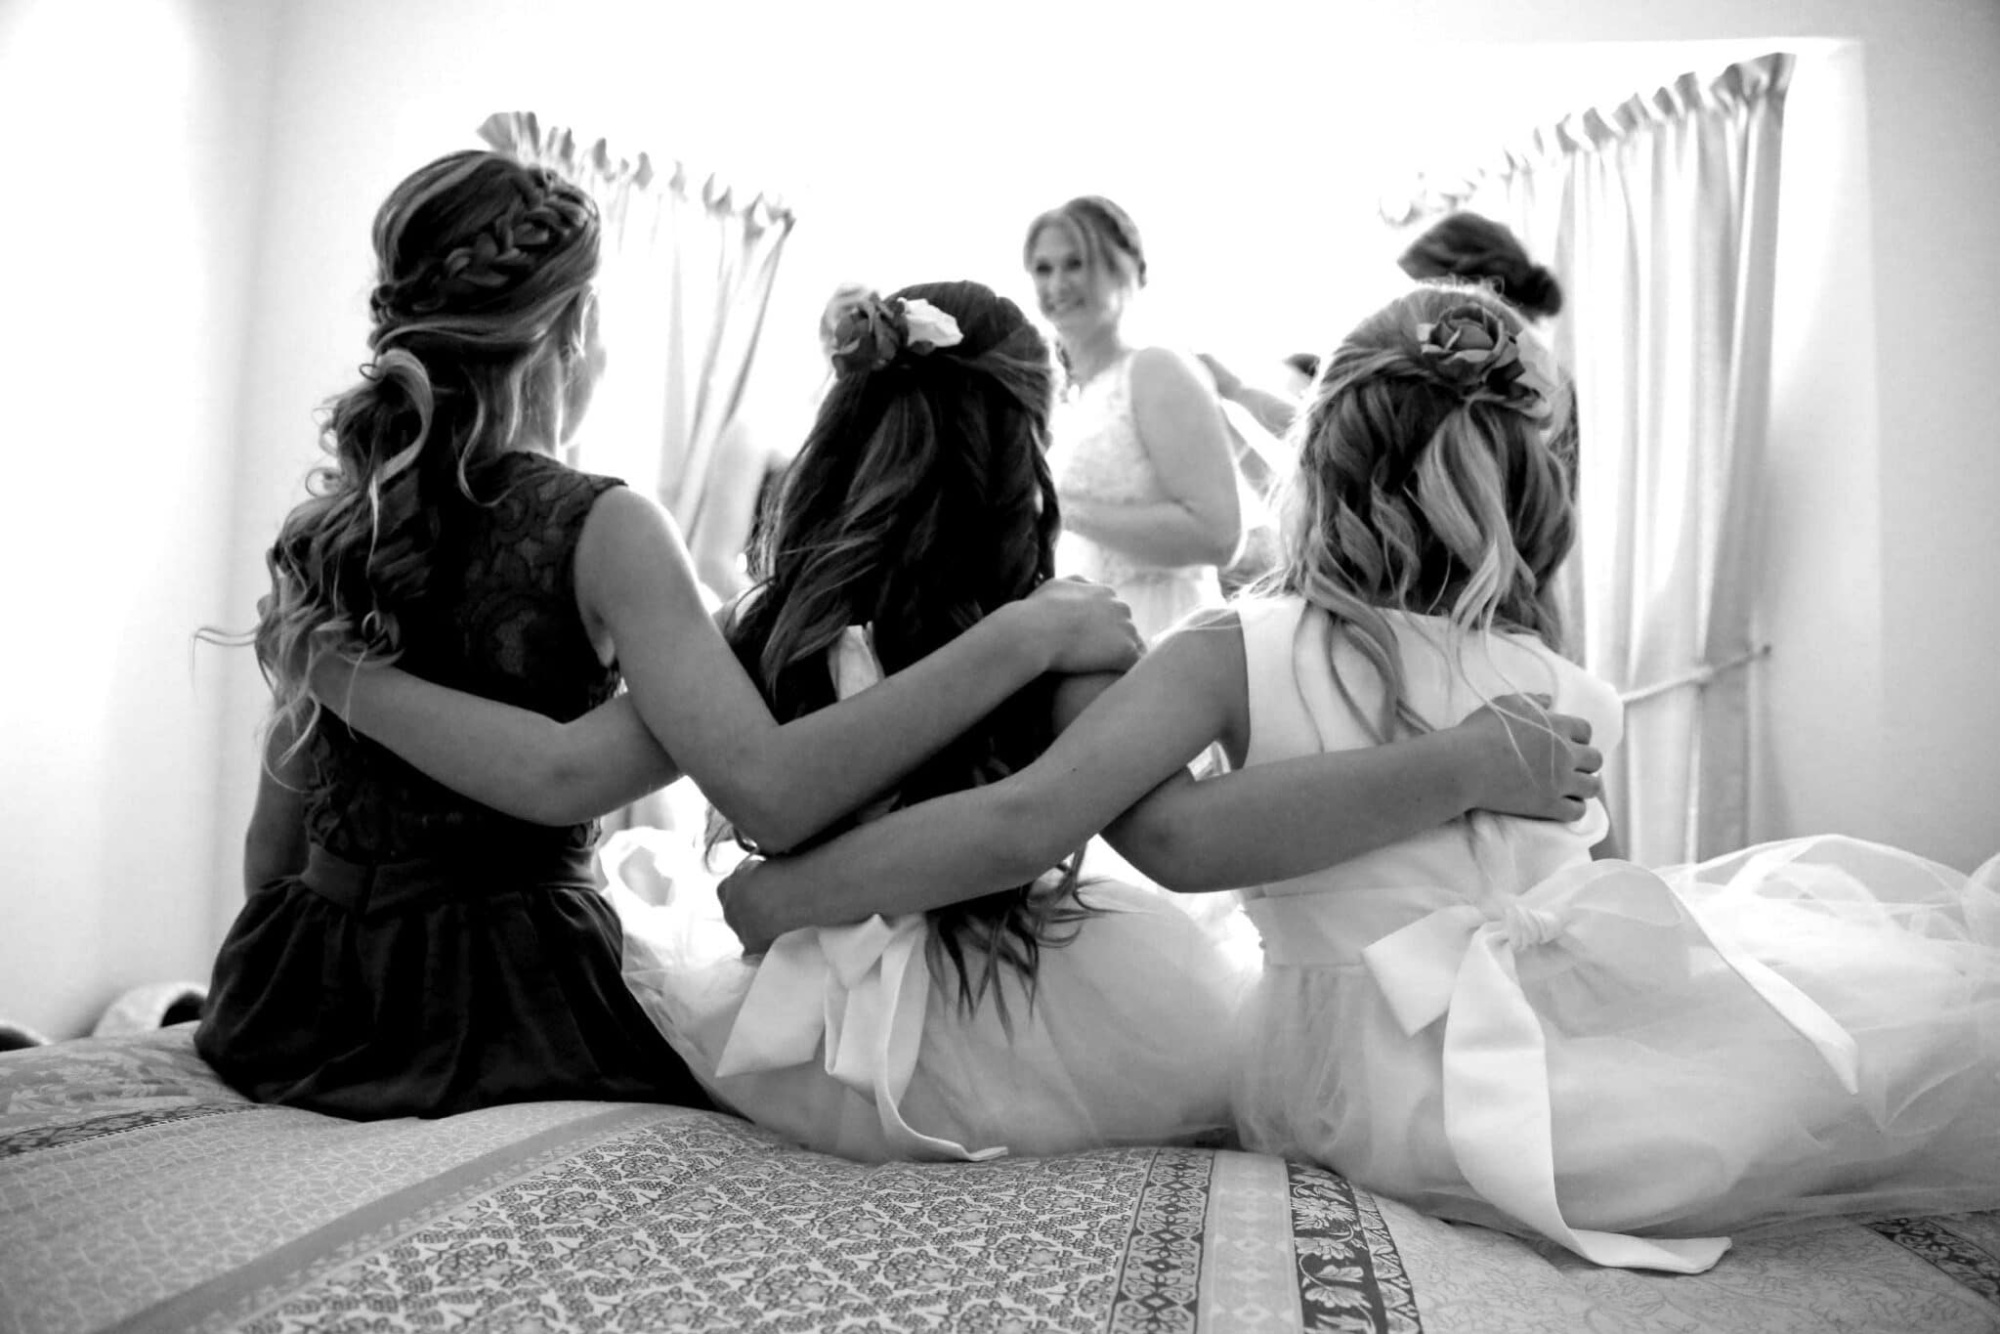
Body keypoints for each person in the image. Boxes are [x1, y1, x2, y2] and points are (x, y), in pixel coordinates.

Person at [717, 283, 2000, 1273]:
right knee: (1786, 1069)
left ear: (1312, 470)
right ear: (1533, 491)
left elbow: (1151, 836)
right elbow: (1613, 892)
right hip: (1555, 1026)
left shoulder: (1233, 645)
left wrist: (787, 893)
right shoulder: (1560, 679)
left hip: (1348, 1082)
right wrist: (1460, 773)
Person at [304, 280, 1607, 1157]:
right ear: (1020, 454)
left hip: (802, 1035)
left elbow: (573, 768)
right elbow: (1095, 828)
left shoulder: (769, 624)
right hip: (1034, 1004)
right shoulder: (1070, 625)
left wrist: (344, 677)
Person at [196, 151, 1144, 1121]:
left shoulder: (329, 528)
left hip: (299, 986)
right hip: (496, 996)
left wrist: (297, 961)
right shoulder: (603, 526)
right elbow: (748, 788)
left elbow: (272, 845)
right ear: (577, 327)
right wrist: (1021, 638)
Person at [1025, 196, 1242, 641]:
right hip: (1091, 638)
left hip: (1165, 632)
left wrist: (1061, 508)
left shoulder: (1156, 370)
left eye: (1076, 264)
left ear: (1123, 268)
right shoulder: (1070, 399)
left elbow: (1220, 535)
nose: (1058, 284)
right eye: (1043, 269)